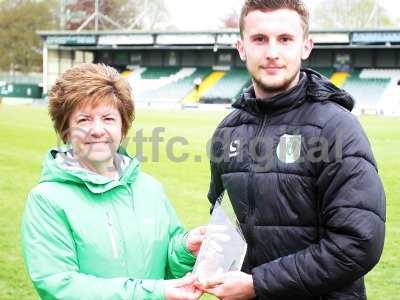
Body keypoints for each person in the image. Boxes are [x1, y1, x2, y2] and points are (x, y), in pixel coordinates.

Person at [202, 0, 386, 299]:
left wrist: (257, 284)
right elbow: (224, 217)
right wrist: (212, 255)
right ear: (241, 48)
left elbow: (358, 243)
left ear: (305, 46)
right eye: (259, 39)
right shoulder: (227, 131)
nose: (272, 52)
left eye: (285, 39)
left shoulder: (336, 128)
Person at [21, 63, 205, 300]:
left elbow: (168, 265)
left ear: (123, 127)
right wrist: (154, 293)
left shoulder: (150, 188)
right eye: (84, 120)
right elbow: (61, 286)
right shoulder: (47, 199)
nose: (97, 130)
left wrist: (186, 248)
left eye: (108, 118)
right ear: (66, 131)